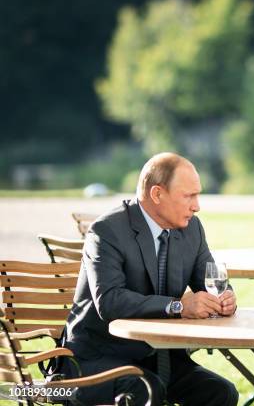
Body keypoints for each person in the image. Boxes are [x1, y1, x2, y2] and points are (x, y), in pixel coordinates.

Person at [62, 152, 239, 406]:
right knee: (147, 389)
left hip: (160, 359)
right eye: (188, 195)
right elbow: (110, 301)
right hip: (97, 361)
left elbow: (211, 282)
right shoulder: (107, 231)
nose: (197, 205)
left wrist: (225, 299)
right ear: (157, 194)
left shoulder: (192, 229)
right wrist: (178, 306)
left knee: (221, 393)